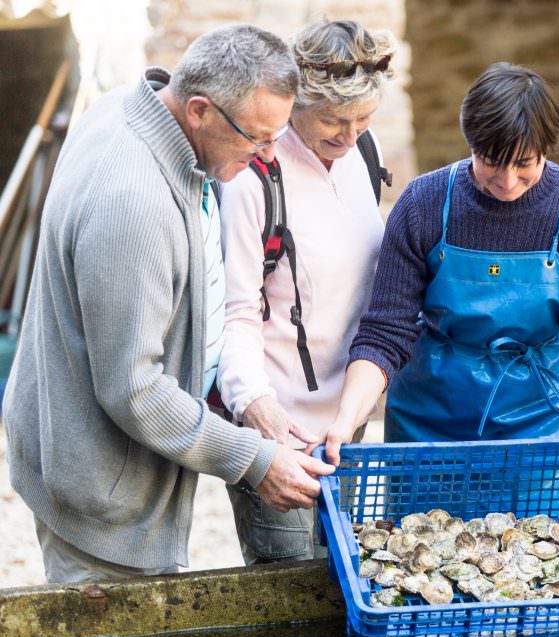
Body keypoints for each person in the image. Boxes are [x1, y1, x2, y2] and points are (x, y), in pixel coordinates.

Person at [1, 25, 335, 584]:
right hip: (98, 487)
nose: (266, 157)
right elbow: (134, 389)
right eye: (257, 138)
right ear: (199, 109)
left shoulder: (130, 108)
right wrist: (253, 460)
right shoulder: (133, 201)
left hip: (97, 452)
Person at [323, 63, 559, 524]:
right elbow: (386, 331)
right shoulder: (423, 203)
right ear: (470, 144)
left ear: (547, 149)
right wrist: (346, 422)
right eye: (490, 161)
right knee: (422, 553)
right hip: (429, 423)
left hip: (537, 423)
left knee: (534, 551)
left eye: (524, 164)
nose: (506, 181)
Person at [217, 20, 394, 564]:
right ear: (294, 103)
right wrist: (255, 406)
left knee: (349, 574)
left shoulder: (364, 152)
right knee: (292, 581)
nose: (349, 134)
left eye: (362, 119)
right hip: (279, 425)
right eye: (333, 120)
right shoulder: (254, 178)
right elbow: (236, 309)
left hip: (350, 420)